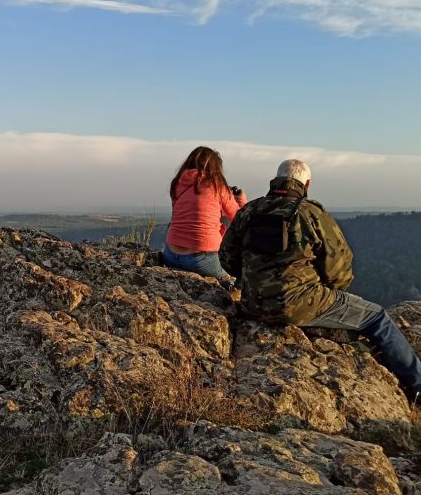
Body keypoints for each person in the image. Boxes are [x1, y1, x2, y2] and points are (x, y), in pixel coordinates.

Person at [220, 159, 421, 399]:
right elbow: (338, 268)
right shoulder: (311, 213)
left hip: (252, 306)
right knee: (378, 318)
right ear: (307, 184)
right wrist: (329, 291)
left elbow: (227, 259)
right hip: (300, 304)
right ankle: (417, 385)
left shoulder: (249, 211)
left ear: (276, 180)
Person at [163, 146, 247, 280]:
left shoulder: (177, 184)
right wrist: (241, 200)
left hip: (170, 255)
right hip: (200, 260)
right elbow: (239, 218)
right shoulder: (217, 183)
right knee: (239, 277)